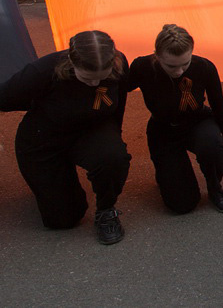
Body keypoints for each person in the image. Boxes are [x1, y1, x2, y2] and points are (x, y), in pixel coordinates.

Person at [0, 30, 130, 244]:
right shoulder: (42, 71)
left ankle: (106, 211)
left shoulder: (120, 63)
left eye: (102, 77)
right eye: (88, 78)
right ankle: (52, 185)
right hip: (45, 137)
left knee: (113, 157)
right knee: (63, 219)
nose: (95, 84)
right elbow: (4, 98)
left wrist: (114, 136)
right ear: (71, 62)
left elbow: (120, 103)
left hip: (92, 129)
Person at [128, 24, 223, 214]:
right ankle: (168, 174)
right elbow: (119, 89)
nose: (179, 72)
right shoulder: (142, 67)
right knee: (182, 205)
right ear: (157, 55)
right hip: (163, 129)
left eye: (185, 63)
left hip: (198, 121)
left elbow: (218, 102)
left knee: (214, 150)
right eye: (171, 66)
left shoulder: (204, 67)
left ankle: (214, 187)